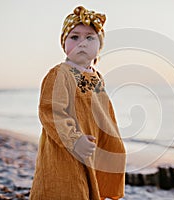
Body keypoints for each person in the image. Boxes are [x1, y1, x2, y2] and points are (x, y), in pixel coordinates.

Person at [30, 5, 126, 200]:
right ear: (64, 43)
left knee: (91, 190)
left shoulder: (97, 77)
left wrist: (110, 143)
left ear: (99, 45)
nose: (82, 43)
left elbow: (103, 113)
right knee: (69, 189)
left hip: (91, 148)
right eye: (75, 37)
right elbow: (51, 112)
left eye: (90, 37)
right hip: (66, 150)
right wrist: (74, 140)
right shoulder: (60, 73)